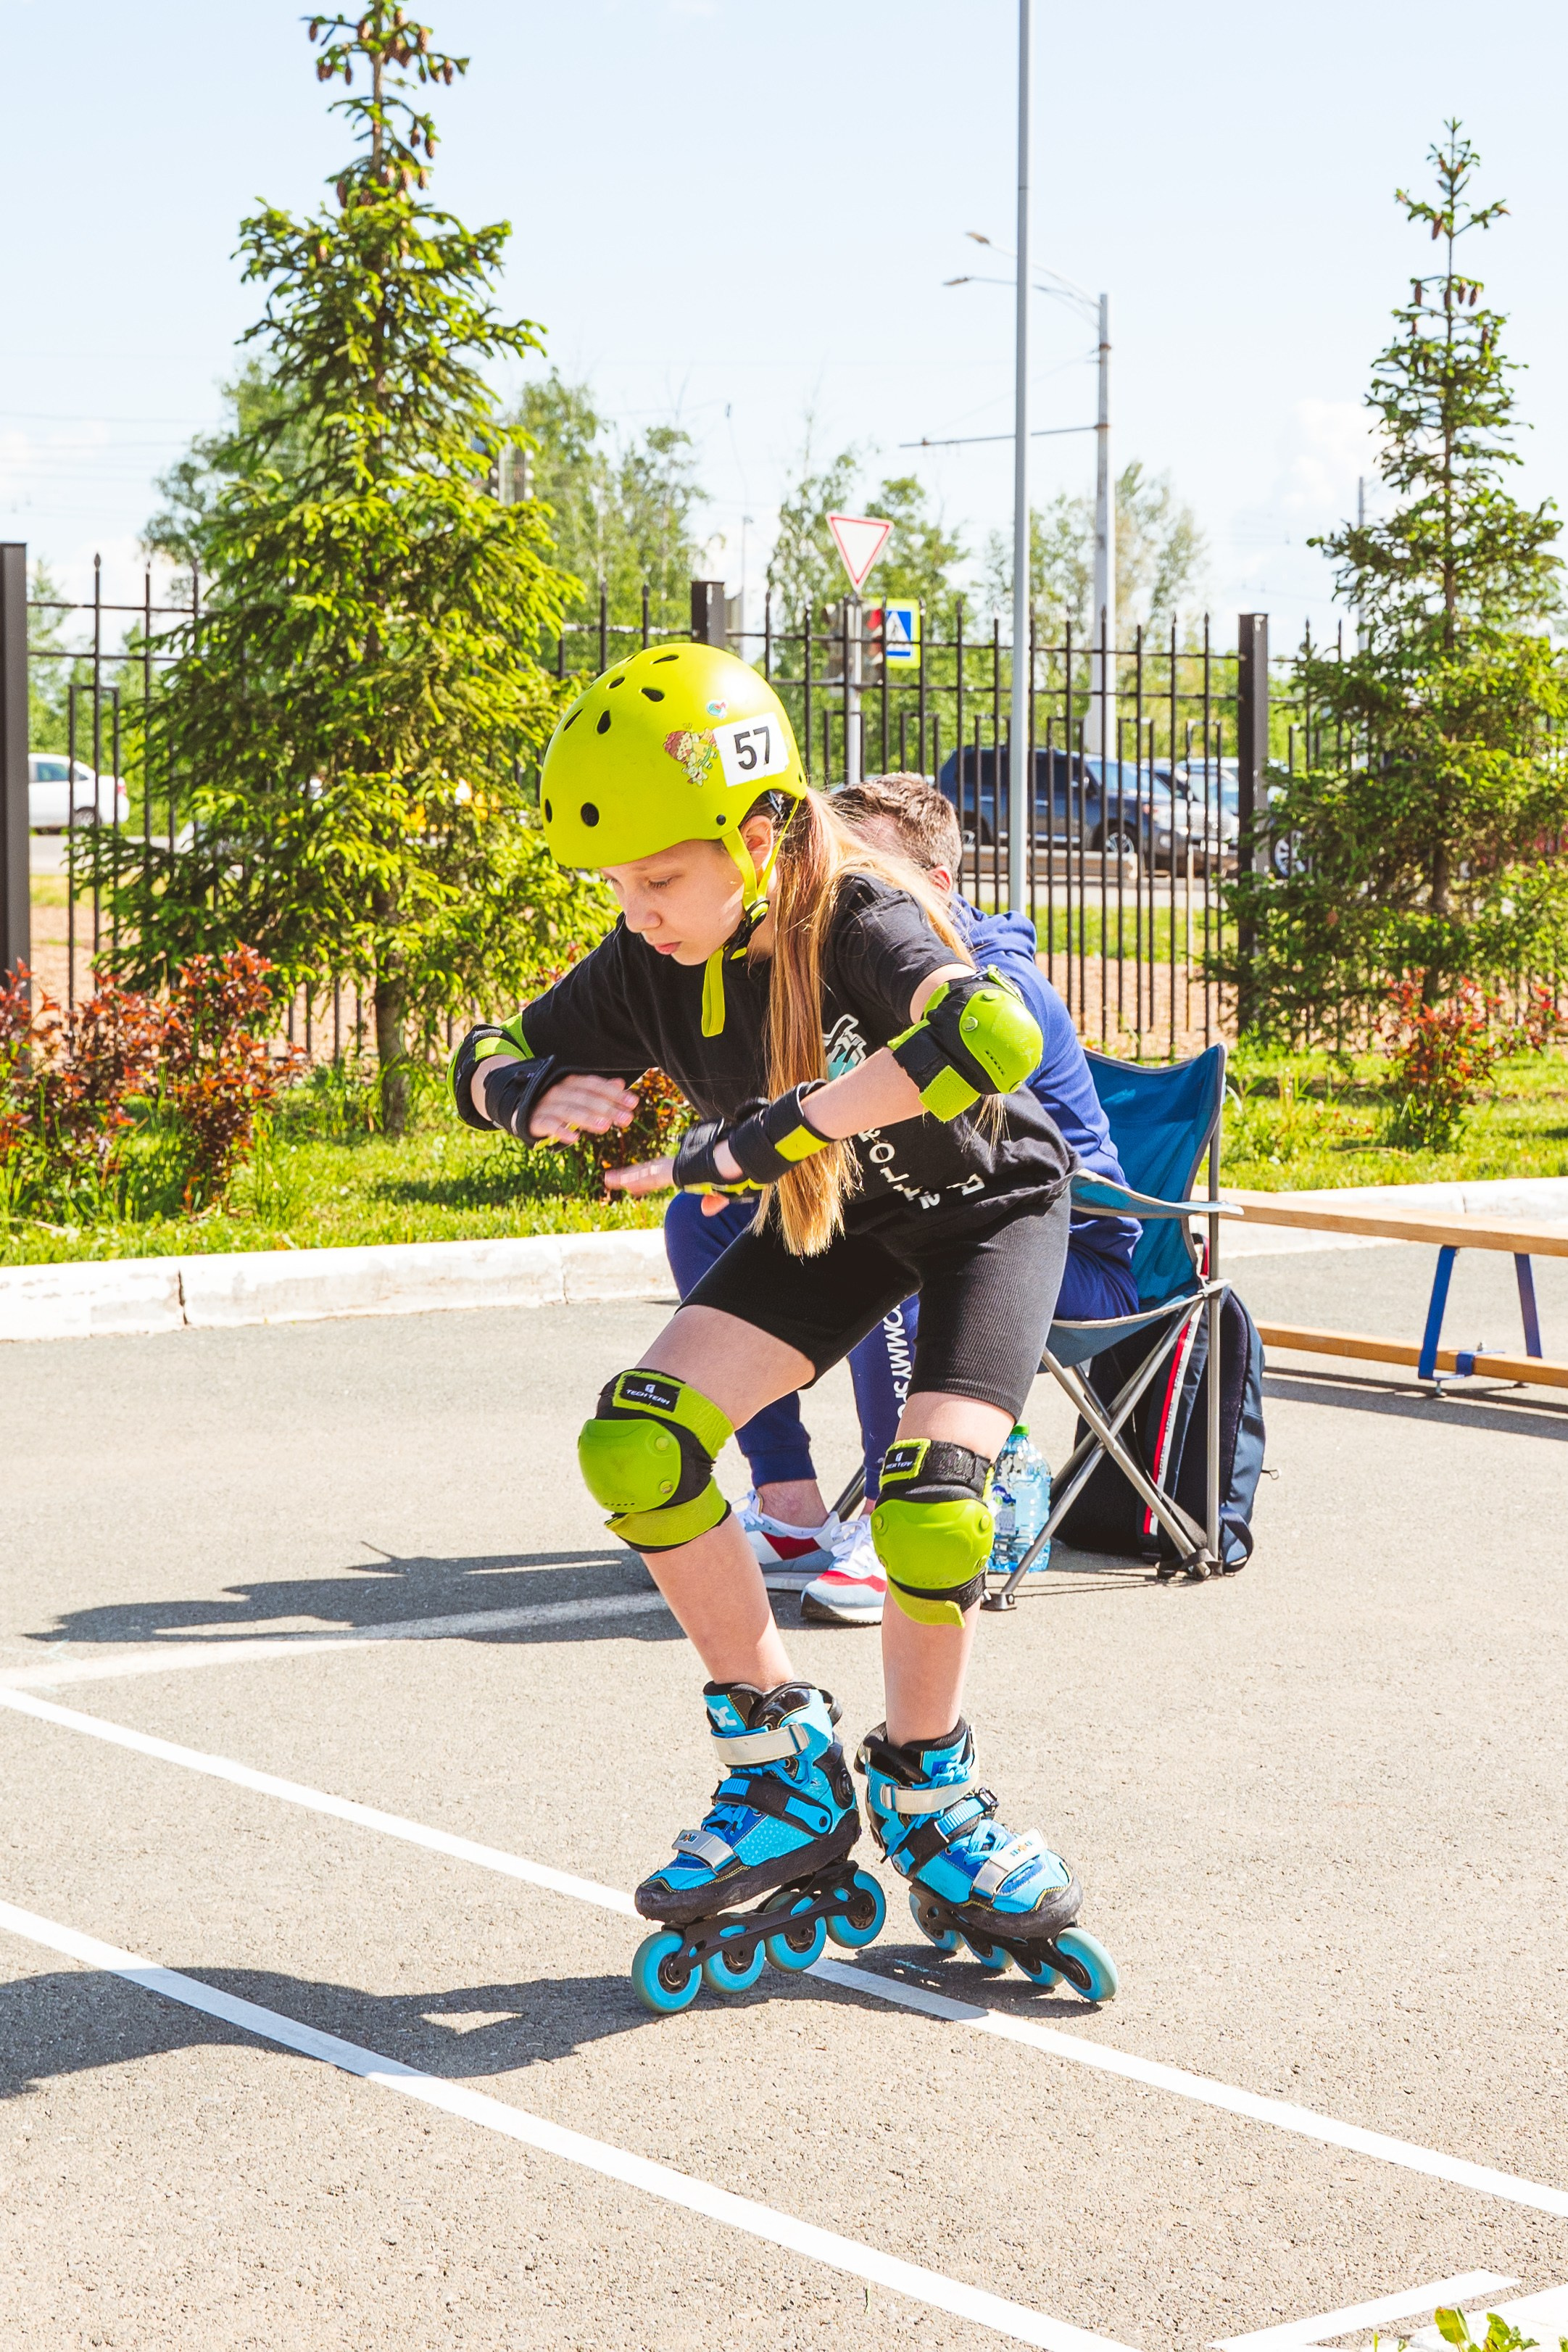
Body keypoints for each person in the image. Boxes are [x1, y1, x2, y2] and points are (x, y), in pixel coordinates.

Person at [451, 645, 1115, 2003]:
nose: (635, 912)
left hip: (987, 1208)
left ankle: (931, 1787)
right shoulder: (648, 960)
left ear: (757, 835)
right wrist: (521, 1095)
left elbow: (982, 1039)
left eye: (658, 878)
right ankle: (780, 1758)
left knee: (936, 1509)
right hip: (840, 1220)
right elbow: (484, 1047)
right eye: (617, 885)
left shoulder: (855, 910)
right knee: (636, 1446)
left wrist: (773, 1131)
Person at [679, 772, 1142, 1629]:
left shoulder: (993, 989)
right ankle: (791, 1511)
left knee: (901, 1233)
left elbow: (963, 1169)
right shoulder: (833, 965)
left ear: (936, 888)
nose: (849, 904)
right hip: (933, 1215)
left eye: (871, 881)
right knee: (699, 1218)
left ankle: (900, 1522)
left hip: (1074, 1256)